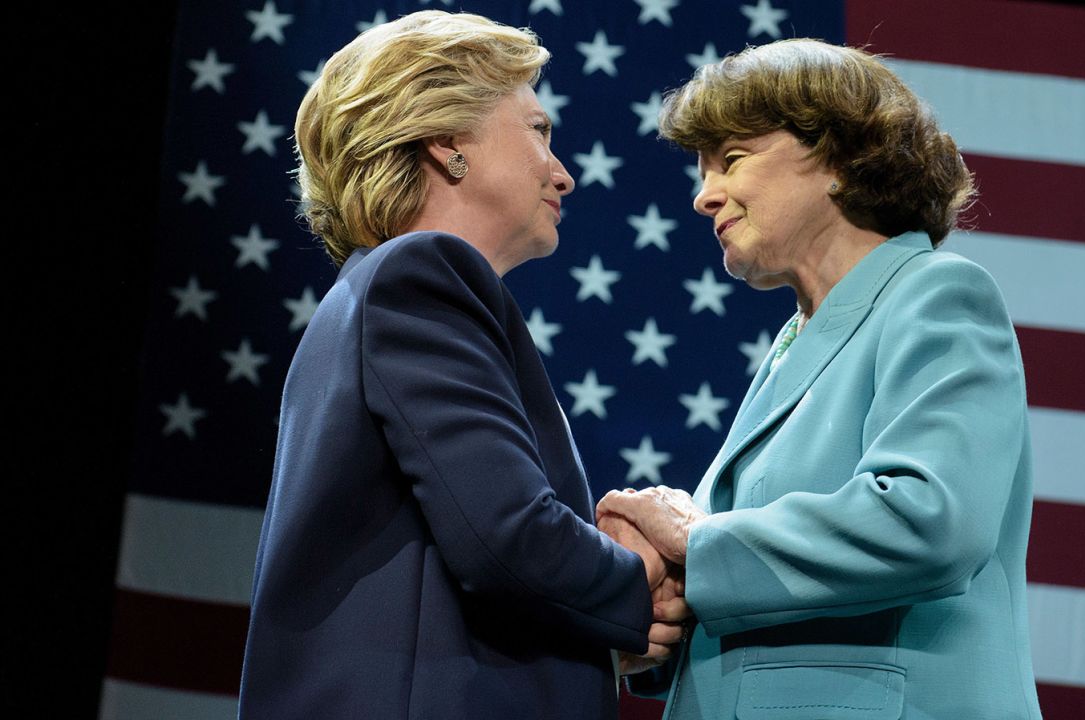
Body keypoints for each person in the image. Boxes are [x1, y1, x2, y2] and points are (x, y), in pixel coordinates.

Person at [238, 12, 685, 719]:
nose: (563, 174)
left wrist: (601, 607)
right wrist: (647, 565)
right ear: (447, 142)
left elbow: (473, 554)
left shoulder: (383, 287)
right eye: (539, 131)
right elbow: (509, 538)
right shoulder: (420, 273)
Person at [598, 39, 1042, 719]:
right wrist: (665, 613)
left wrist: (695, 545)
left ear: (838, 159)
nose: (703, 196)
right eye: (702, 170)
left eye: (732, 161)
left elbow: (930, 522)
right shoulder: (798, 341)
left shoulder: (936, 293)